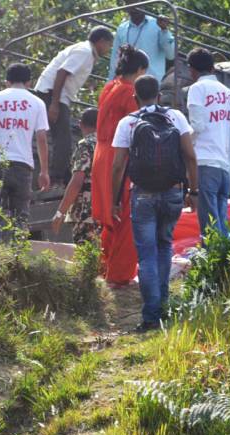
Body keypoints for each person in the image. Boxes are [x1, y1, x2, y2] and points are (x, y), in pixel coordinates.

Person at [110, 75, 198, 332]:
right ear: (160, 95)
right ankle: (164, 308)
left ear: (134, 98)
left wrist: (116, 200)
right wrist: (194, 191)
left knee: (147, 255)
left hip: (143, 195)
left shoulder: (128, 123)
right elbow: (190, 156)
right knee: (165, 247)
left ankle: (151, 316)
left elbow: (118, 166)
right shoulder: (176, 117)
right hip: (173, 193)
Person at [92, 45, 149, 287]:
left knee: (110, 216)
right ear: (138, 70)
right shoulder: (129, 93)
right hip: (118, 157)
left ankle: (106, 269)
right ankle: (120, 275)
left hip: (101, 154)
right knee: (126, 216)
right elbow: (139, 128)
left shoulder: (109, 87)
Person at [34, 26, 114, 186]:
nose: (109, 49)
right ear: (101, 41)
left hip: (56, 95)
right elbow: (62, 73)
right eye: (108, 45)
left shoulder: (86, 52)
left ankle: (59, 177)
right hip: (52, 94)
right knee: (63, 139)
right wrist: (55, 104)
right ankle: (57, 179)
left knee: (61, 137)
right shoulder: (84, 52)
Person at [0, 62, 50, 226]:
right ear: (29, 83)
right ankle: (17, 249)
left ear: (7, 81)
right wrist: (44, 171)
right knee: (20, 215)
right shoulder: (37, 103)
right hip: (23, 164)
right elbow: (41, 138)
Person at [186, 47, 230, 239]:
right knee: (221, 227)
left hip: (206, 164)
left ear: (191, 70)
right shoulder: (227, 92)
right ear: (212, 68)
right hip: (223, 167)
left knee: (209, 229)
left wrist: (183, 143)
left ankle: (213, 268)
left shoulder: (197, 89)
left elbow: (197, 126)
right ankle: (224, 267)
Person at [51, 107, 99, 244]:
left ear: (80, 124)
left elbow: (77, 180)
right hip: (104, 210)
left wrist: (60, 212)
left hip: (85, 211)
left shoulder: (86, 145)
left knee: (85, 256)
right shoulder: (109, 145)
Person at [108, 0, 175, 83]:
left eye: (137, 2)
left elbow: (171, 55)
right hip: (128, 86)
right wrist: (110, 84)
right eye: (130, 2)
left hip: (152, 86)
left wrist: (164, 30)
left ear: (144, 3)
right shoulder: (122, 29)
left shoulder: (158, 25)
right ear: (126, 6)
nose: (134, 6)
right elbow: (115, 59)